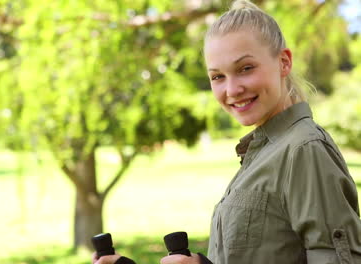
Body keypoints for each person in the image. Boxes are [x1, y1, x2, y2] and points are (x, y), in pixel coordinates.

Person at [93, 1, 361, 263]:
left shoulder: (304, 149)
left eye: (245, 68)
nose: (232, 90)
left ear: (283, 62)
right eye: (218, 76)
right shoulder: (264, 151)